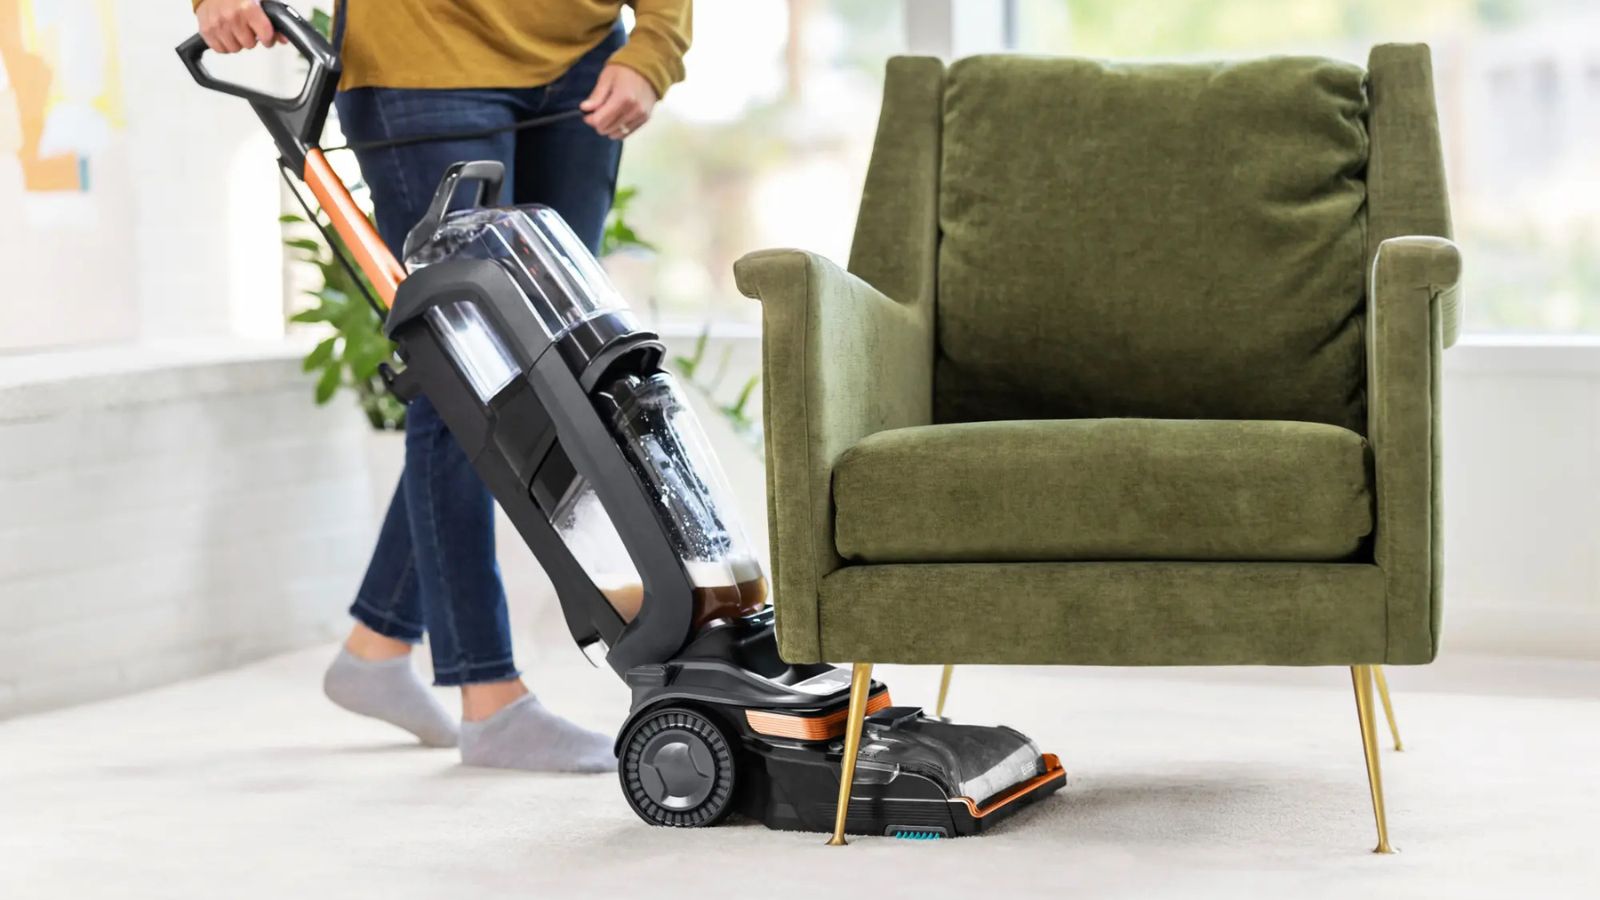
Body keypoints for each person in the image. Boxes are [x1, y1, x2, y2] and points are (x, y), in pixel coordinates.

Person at [192, 0, 691, 771]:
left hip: (588, 57)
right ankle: (488, 699)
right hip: (424, 52)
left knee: (551, 370)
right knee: (470, 365)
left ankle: (377, 645)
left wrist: (656, 41)